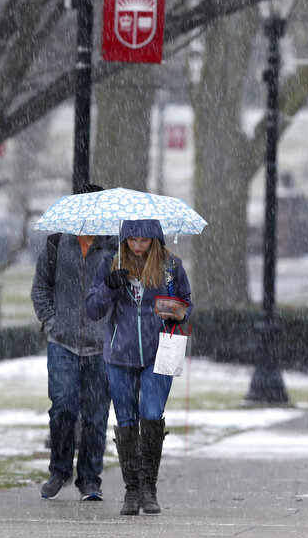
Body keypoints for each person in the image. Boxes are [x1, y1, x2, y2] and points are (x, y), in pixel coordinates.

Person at [86, 219, 192, 516]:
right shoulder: (111, 262)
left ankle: (149, 488)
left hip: (160, 352)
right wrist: (109, 287)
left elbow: (187, 302)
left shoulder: (170, 265)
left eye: (144, 240)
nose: (137, 246)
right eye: (132, 239)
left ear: (155, 239)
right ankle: (131, 490)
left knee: (151, 413)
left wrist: (177, 314)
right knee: (126, 419)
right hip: (119, 354)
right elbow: (92, 309)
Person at [30, 184, 116, 501]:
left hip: (101, 348)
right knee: (63, 409)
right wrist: (53, 323)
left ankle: (90, 480)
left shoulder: (114, 250)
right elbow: (40, 289)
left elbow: (124, 297)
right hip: (62, 345)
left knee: (96, 417)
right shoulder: (55, 245)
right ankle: (60, 472)